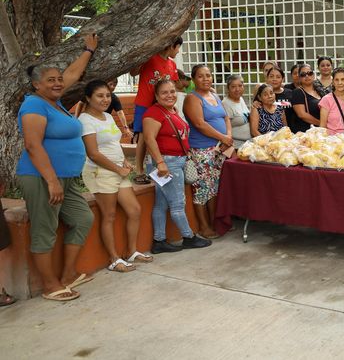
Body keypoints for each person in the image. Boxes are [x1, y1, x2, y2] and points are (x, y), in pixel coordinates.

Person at [17, 33, 97, 301]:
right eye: (50, 80)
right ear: (36, 84)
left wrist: (88, 49)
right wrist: (51, 180)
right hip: (41, 177)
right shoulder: (33, 105)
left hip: (68, 178)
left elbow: (72, 73)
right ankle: (50, 286)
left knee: (83, 218)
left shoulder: (57, 102)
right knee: (44, 229)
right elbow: (33, 145)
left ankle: (67, 273)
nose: (57, 83)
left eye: (59, 79)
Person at [79, 80, 152, 272]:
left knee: (134, 210)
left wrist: (124, 161)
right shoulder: (85, 120)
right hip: (100, 172)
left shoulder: (107, 117)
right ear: (88, 98)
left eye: (108, 96)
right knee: (109, 215)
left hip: (118, 170)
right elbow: (93, 153)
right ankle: (114, 259)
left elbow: (113, 143)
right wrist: (117, 169)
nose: (105, 99)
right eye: (99, 96)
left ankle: (132, 251)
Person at [142, 80, 211, 254]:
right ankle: (188, 237)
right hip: (167, 162)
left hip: (173, 160)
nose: (170, 95)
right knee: (178, 203)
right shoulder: (154, 113)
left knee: (161, 203)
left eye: (172, 91)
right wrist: (160, 163)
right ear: (156, 96)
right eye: (164, 92)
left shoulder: (170, 111)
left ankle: (159, 241)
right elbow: (149, 139)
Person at [183, 64, 233, 240]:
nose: (205, 79)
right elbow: (199, 124)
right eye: (201, 76)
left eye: (208, 75)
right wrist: (223, 137)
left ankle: (215, 223)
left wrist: (228, 136)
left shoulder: (214, 94)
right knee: (202, 189)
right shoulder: (192, 98)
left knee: (215, 188)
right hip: (202, 150)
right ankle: (204, 227)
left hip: (220, 149)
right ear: (194, 79)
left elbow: (225, 117)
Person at [131, 37, 182, 184]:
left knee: (158, 136)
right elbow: (133, 73)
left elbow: (173, 85)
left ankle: (155, 167)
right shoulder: (151, 58)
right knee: (143, 137)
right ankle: (139, 171)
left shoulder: (172, 64)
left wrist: (172, 105)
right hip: (144, 103)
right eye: (178, 47)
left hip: (162, 107)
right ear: (171, 45)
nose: (178, 51)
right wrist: (142, 55)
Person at [319, 68, 344, 135]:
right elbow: (322, 127)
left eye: (343, 79)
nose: (340, 83)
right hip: (333, 141)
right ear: (333, 82)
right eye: (336, 80)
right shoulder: (326, 100)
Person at [221, 75, 251, 149]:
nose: (237, 89)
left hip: (247, 144)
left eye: (240, 86)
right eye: (233, 87)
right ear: (228, 88)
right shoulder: (225, 103)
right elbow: (224, 128)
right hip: (236, 146)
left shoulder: (240, 99)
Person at [291, 63, 322, 132]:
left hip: (320, 131)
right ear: (299, 78)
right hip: (306, 132)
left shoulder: (319, 90)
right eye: (303, 74)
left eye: (310, 73)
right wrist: (321, 123)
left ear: (313, 75)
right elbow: (302, 114)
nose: (307, 76)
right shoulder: (297, 92)